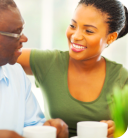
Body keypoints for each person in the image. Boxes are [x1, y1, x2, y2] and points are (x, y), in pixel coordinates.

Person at [17, 0, 128, 137]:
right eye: (72, 25)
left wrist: (119, 129)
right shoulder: (49, 62)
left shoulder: (122, 78)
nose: (75, 36)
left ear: (110, 38)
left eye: (88, 31)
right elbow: (1, 53)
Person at [0, 0, 68, 138]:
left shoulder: (16, 73)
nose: (24, 38)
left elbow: (33, 125)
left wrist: (50, 130)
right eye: (16, 33)